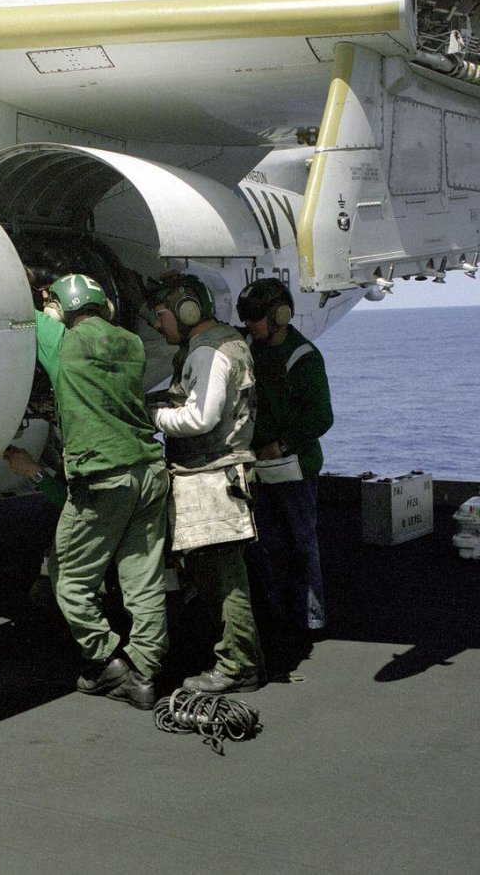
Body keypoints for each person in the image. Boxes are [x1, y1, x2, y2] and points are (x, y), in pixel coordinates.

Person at [34, 273, 169, 710]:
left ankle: (107, 659)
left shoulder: (63, 342)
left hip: (102, 477)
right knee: (143, 579)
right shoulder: (132, 343)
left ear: (63, 309)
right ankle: (145, 674)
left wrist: (44, 306)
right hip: (148, 471)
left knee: (70, 580)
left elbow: (29, 317)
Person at [149, 274, 264, 694]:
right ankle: (232, 657)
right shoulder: (229, 340)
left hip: (211, 477)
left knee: (223, 579)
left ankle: (238, 666)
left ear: (186, 311)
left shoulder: (208, 352)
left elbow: (201, 418)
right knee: (218, 576)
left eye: (161, 316)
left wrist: (153, 418)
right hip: (221, 474)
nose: (157, 325)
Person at [236, 277, 333, 671]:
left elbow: (322, 417)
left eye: (256, 318)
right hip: (261, 468)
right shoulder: (251, 350)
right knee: (266, 546)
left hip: (293, 469)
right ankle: (277, 618)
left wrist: (283, 444)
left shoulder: (303, 358)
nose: (250, 326)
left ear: (280, 315)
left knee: (300, 546)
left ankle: (309, 620)